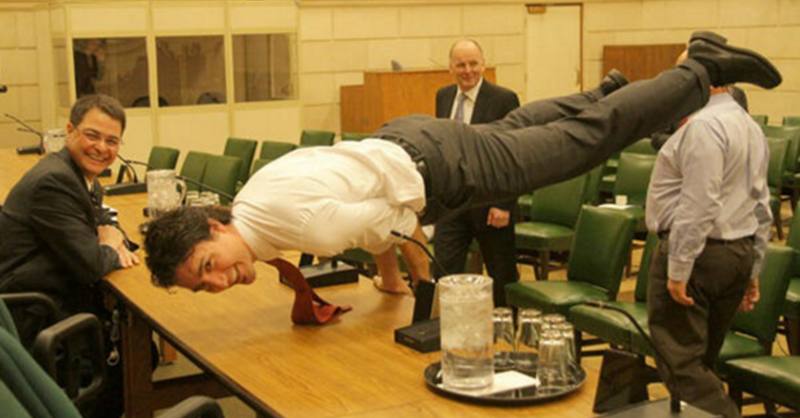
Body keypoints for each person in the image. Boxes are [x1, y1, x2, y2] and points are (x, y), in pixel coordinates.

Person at [144, 31, 782, 299]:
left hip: (442, 170)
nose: (219, 282)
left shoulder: (303, 232)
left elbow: (395, 226)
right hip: (408, 138)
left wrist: (397, 265)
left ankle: (700, 70)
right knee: (524, 124)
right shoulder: (256, 201)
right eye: (205, 286)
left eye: (209, 267)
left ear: (213, 228)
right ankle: (604, 89)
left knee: (589, 142)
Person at [645, 52, 771, 417]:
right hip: (735, 253)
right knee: (702, 364)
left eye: (682, 73)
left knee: (682, 367)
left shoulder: (703, 126)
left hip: (699, 256)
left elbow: (699, 204)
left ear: (701, 77)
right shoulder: (748, 124)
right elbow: (762, 204)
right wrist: (753, 268)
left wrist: (679, 267)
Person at [0, 94, 139, 418]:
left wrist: (112, 237)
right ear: (70, 131)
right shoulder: (54, 181)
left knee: (138, 348)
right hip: (35, 312)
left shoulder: (79, 176)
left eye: (112, 141)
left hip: (45, 296)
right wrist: (109, 246)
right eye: (92, 135)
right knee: (134, 356)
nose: (101, 148)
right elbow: (92, 265)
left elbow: (105, 222)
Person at [428, 39, 521, 305]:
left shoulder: (504, 99)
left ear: (483, 65)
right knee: (444, 269)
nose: (467, 70)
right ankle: (449, 325)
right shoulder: (443, 96)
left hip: (491, 204)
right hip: (453, 203)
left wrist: (504, 204)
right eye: (461, 65)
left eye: (473, 64)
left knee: (501, 275)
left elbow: (513, 155)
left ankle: (507, 330)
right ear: (450, 68)